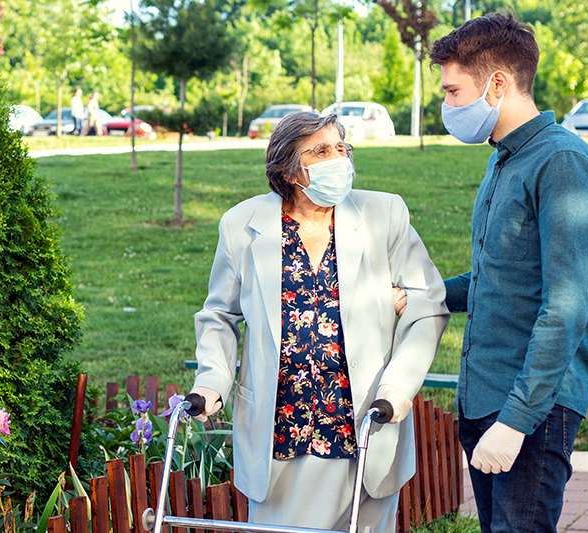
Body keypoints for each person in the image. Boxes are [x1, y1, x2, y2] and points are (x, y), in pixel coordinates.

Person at [189, 112, 449, 533]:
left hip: (365, 422)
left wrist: (399, 388)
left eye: (342, 148)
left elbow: (427, 302)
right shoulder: (243, 224)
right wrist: (212, 382)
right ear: (289, 169)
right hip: (283, 432)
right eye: (322, 150)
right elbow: (220, 314)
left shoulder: (383, 213)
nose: (338, 159)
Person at [427, 11, 588, 533]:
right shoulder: (503, 160)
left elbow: (565, 307)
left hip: (531, 409)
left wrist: (514, 421)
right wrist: (425, 295)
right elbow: (498, 281)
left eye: (453, 92)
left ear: (497, 83)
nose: (447, 106)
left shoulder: (563, 161)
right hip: (485, 397)